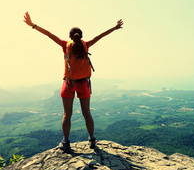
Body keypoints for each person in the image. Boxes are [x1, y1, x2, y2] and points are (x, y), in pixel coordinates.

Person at [23, 12, 123, 153]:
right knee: (87, 113)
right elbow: (100, 36)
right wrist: (115, 27)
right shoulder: (86, 45)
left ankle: (66, 142)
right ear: (81, 37)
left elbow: (49, 34)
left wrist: (32, 25)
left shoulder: (65, 45)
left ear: (70, 37)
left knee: (67, 114)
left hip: (69, 84)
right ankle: (92, 139)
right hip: (84, 84)